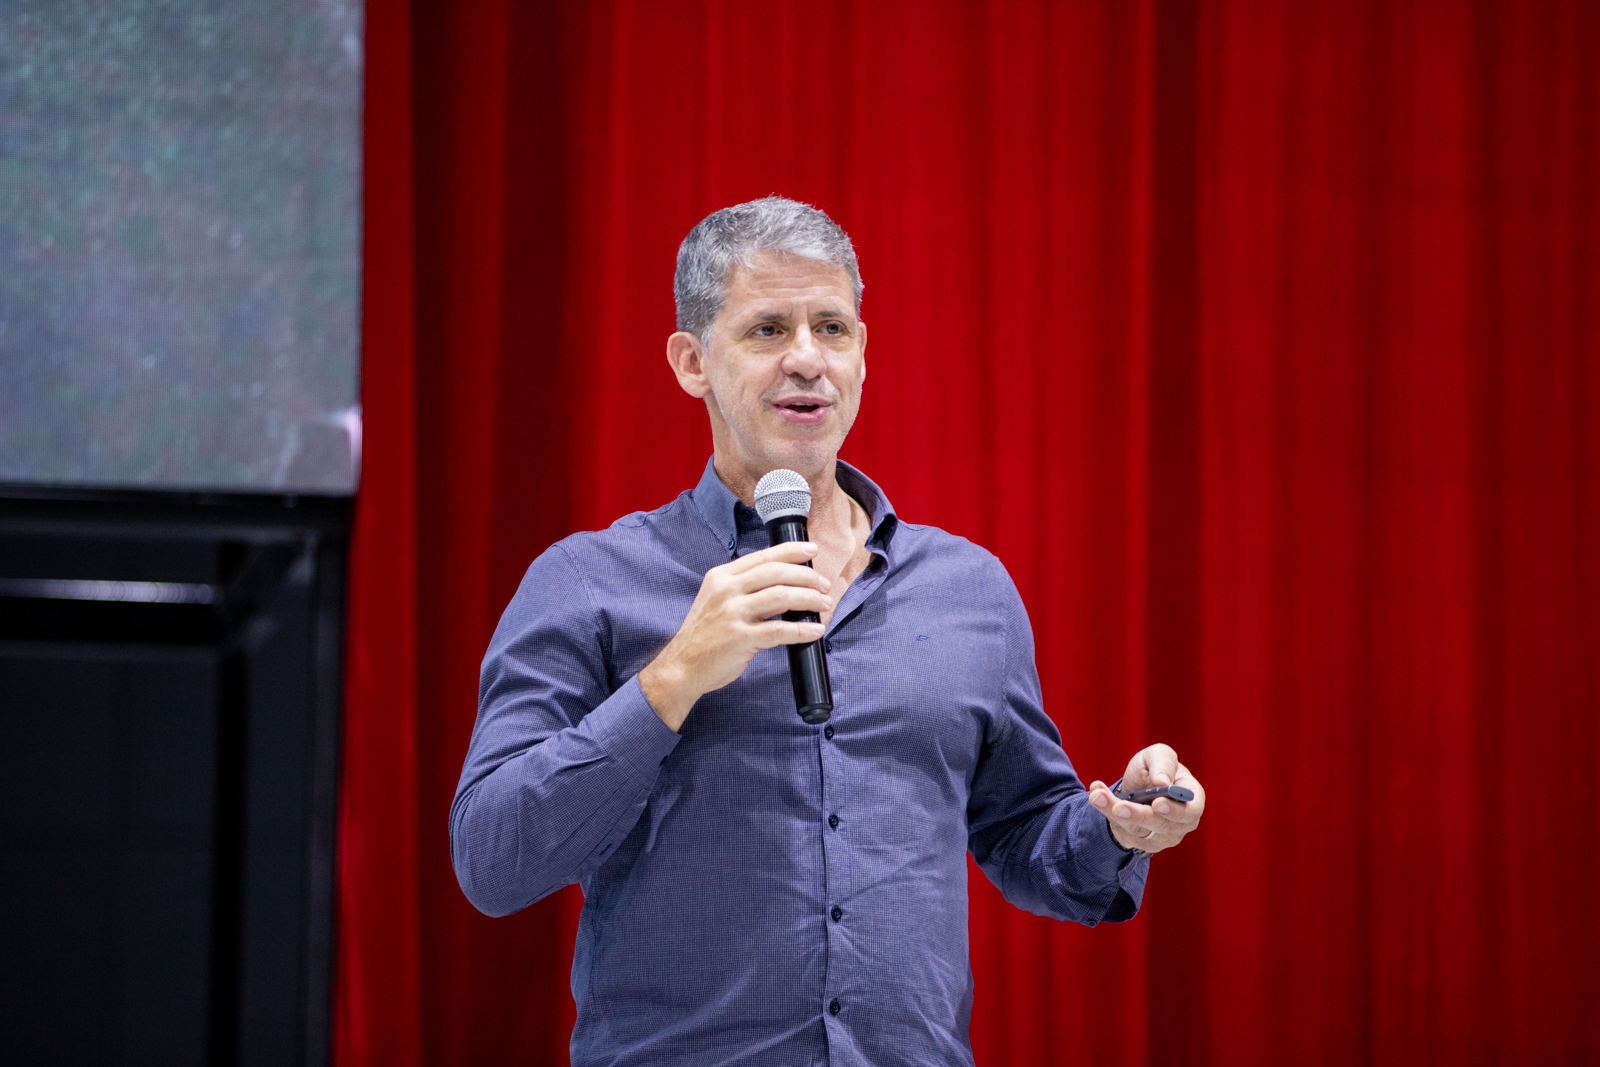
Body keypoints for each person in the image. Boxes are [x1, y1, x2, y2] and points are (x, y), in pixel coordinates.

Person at [451, 196, 1205, 1066]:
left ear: (861, 353)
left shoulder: (969, 589)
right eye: (768, 329)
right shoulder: (589, 582)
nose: (807, 358)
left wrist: (1119, 826)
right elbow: (494, 859)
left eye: (831, 328)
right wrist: (673, 678)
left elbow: (1027, 837)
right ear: (693, 362)